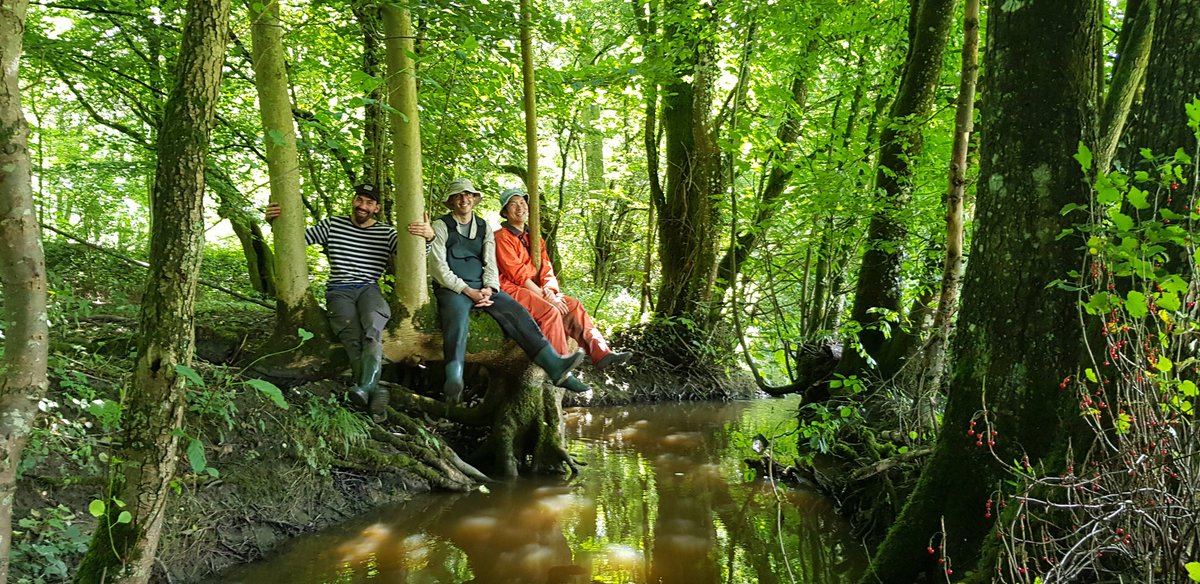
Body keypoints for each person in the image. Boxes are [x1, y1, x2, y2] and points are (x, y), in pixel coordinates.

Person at [266, 183, 425, 420]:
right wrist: (275, 223)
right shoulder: (333, 224)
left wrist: (428, 237)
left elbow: (415, 254)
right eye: (359, 200)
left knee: (372, 330)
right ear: (353, 201)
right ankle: (374, 390)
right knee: (351, 337)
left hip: (369, 289)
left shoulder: (386, 233)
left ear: (377, 208)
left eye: (369, 203)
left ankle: (366, 388)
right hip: (339, 290)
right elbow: (297, 240)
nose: (363, 206)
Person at [428, 178, 589, 404]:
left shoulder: (484, 227)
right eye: (458, 196)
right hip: (453, 289)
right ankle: (453, 379)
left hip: (483, 286)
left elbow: (490, 263)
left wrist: (489, 287)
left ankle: (556, 367)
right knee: (457, 320)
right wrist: (466, 290)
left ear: (474, 199)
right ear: (452, 201)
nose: (464, 199)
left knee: (519, 314)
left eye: (468, 195)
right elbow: (437, 267)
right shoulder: (441, 226)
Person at [494, 188, 631, 370]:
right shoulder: (501, 237)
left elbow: (546, 268)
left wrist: (551, 291)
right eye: (513, 204)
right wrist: (545, 297)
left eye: (522, 203)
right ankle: (560, 363)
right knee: (550, 311)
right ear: (505, 212)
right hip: (514, 288)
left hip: (538, 290)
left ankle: (602, 353)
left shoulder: (534, 237)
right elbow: (516, 273)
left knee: (573, 305)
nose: (520, 208)